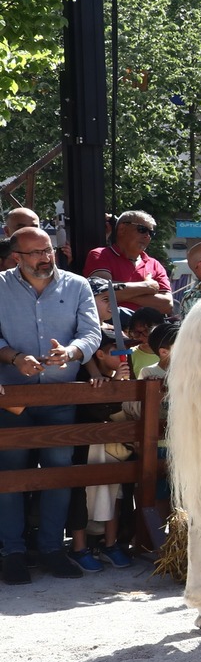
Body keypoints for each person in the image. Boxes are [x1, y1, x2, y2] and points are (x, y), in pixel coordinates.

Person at [0, 226, 104, 583]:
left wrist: (72, 352)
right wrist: (14, 358)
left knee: (58, 475)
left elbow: (92, 332)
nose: (46, 257)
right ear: (17, 257)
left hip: (61, 397)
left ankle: (51, 550)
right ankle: (12, 551)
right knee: (11, 477)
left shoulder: (77, 284)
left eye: (49, 250)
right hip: (14, 398)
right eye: (36, 253)